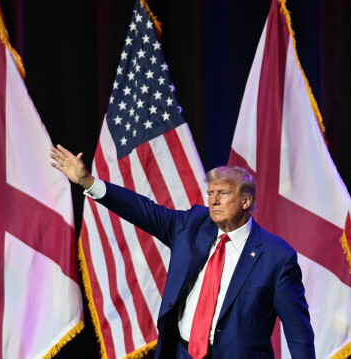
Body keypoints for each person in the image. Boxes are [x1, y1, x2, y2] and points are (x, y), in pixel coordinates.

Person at [50, 144, 315, 359]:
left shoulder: (276, 256)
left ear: (246, 200)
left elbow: (298, 331)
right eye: (211, 193)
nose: (213, 200)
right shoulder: (192, 225)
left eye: (223, 193)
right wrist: (88, 182)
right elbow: (142, 210)